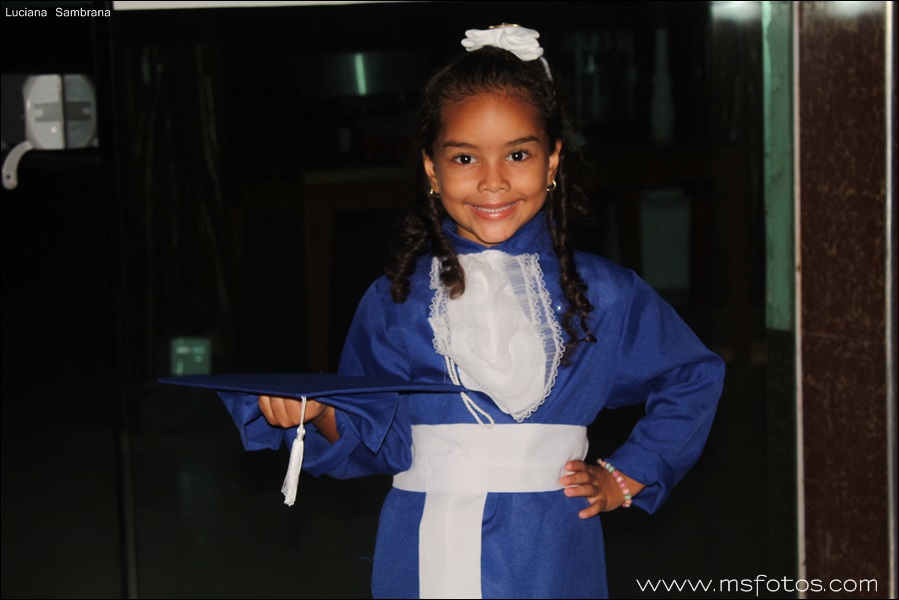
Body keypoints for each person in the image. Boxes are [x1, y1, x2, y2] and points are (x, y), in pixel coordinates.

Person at [236, 24, 724, 599]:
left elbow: (691, 373)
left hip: (552, 550)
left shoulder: (605, 293)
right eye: (465, 157)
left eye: (518, 154)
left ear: (552, 161)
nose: (493, 181)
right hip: (423, 546)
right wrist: (317, 413)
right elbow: (378, 439)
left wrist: (627, 474)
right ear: (432, 169)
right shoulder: (394, 301)